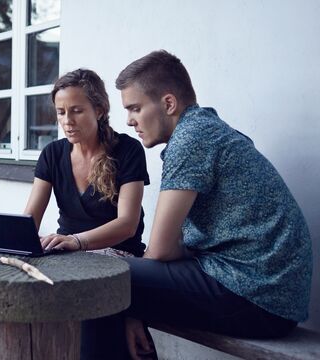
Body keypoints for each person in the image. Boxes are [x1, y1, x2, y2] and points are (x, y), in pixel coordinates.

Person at [82, 50, 312, 360]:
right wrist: (134, 307)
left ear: (168, 103)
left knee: (98, 275)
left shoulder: (192, 139)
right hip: (263, 292)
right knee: (119, 281)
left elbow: (162, 250)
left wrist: (139, 285)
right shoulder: (206, 129)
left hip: (256, 296)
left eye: (135, 108)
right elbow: (171, 248)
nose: (129, 120)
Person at [24, 68, 150, 257]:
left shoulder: (128, 150)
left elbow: (127, 225)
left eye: (77, 111)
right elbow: (30, 220)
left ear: (99, 111)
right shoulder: (52, 154)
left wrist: (77, 240)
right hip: (66, 252)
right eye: (61, 112)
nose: (68, 121)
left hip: (119, 253)